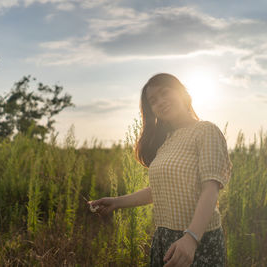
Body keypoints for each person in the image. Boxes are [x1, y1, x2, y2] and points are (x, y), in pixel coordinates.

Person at [88, 73, 232, 267]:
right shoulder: (167, 140)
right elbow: (159, 190)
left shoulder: (206, 131)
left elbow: (210, 189)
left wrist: (191, 238)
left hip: (199, 239)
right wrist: (116, 202)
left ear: (182, 94)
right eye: (153, 101)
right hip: (165, 239)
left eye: (165, 93)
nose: (160, 102)